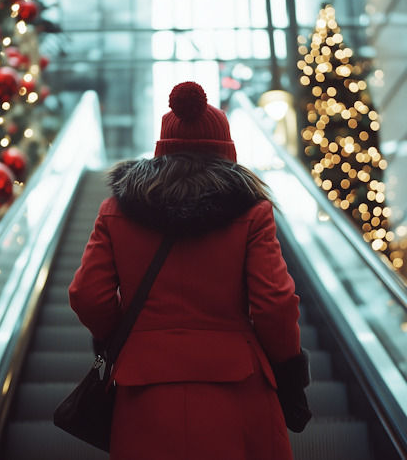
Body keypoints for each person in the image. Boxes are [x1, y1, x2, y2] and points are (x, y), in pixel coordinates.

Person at [69, 81, 305, 460]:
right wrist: (290, 370)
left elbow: (87, 295)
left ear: (163, 147)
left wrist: (128, 337)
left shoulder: (116, 209)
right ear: (226, 150)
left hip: (142, 388)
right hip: (238, 387)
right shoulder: (252, 211)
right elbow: (275, 304)